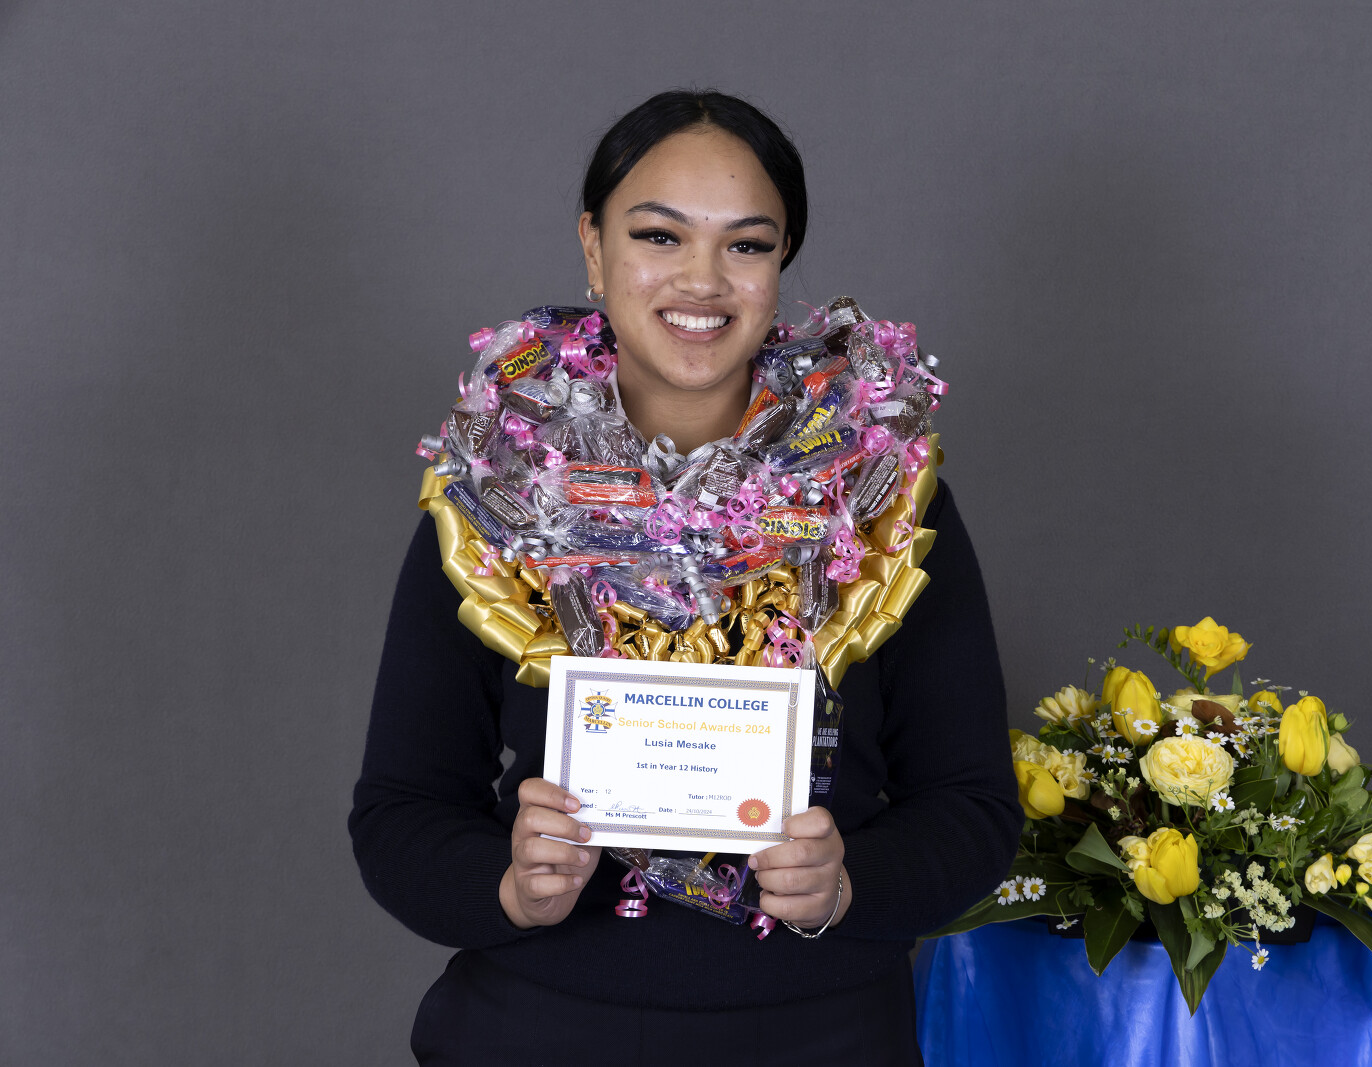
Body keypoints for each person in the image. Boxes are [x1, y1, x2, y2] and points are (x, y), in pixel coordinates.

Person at [349, 89, 1022, 1066]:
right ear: (593, 247)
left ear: (781, 264)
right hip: (535, 1034)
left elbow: (972, 807)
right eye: (659, 235)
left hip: (824, 1038)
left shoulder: (877, 497)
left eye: (746, 244)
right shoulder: (499, 489)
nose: (702, 279)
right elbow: (399, 810)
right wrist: (508, 884)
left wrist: (846, 885)